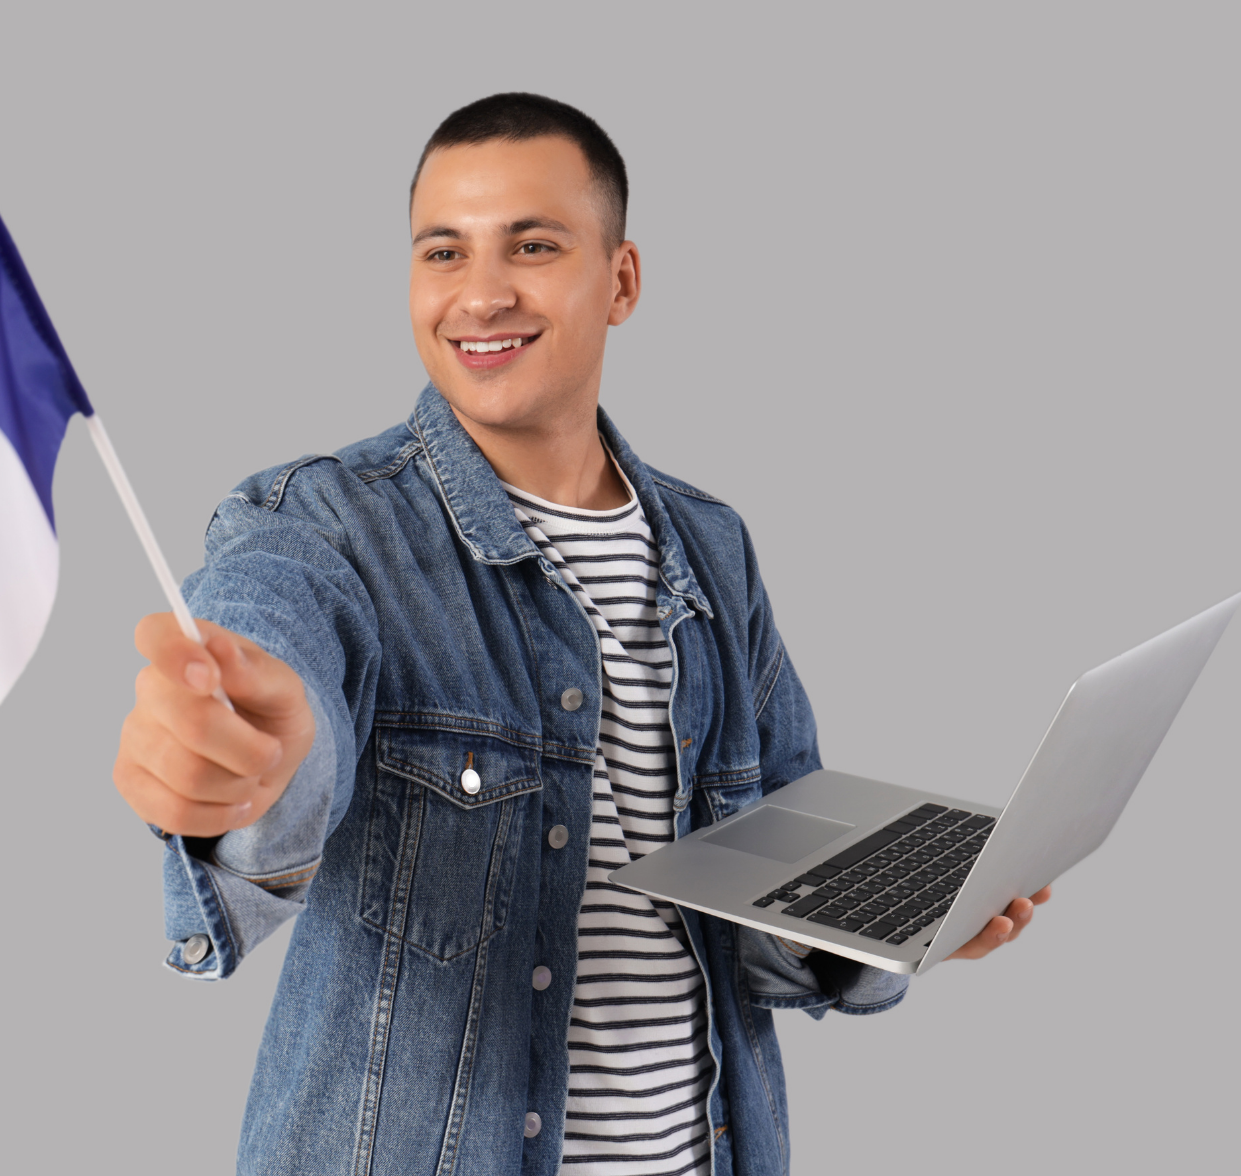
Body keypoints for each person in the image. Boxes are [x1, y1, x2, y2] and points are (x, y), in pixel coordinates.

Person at [112, 93, 1050, 1176]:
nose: (478, 293)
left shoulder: (711, 546)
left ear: (621, 282)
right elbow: (271, 637)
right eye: (440, 251)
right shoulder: (326, 523)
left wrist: (893, 912)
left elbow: (774, 875)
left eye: (533, 244)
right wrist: (255, 758)